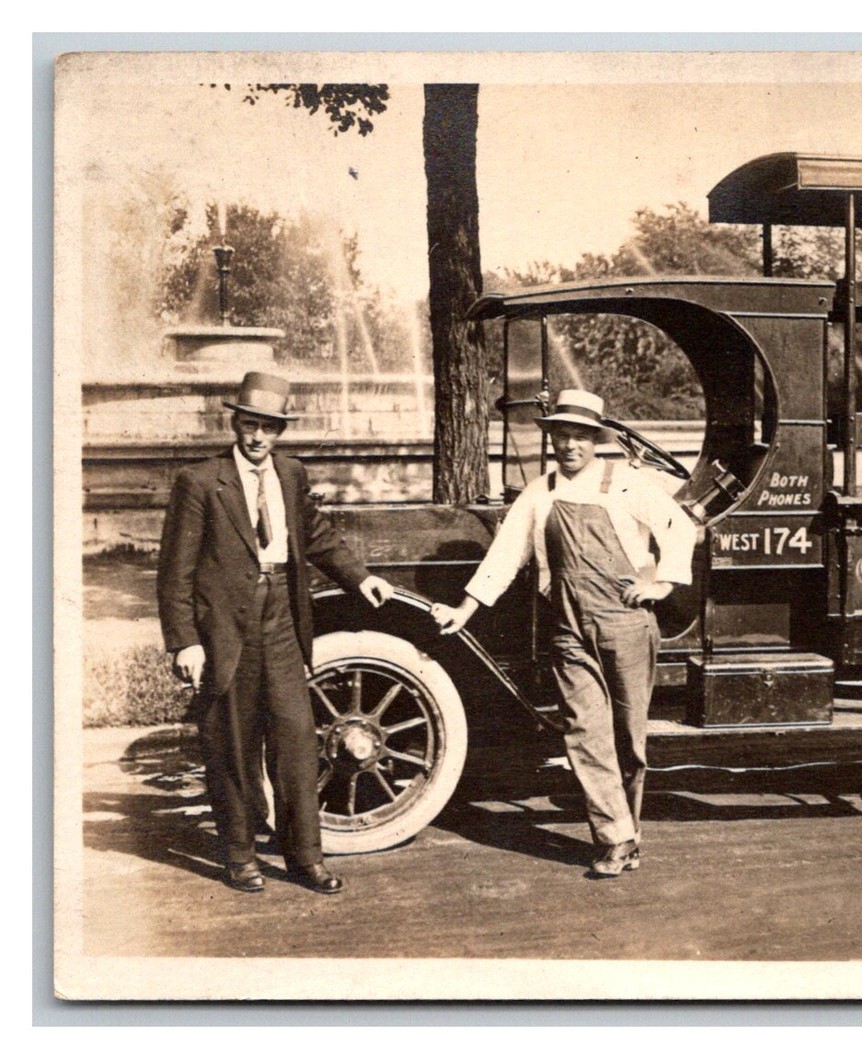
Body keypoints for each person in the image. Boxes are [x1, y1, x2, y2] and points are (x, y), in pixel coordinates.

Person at [430, 389, 694, 877]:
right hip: (568, 628)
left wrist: (660, 584)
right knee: (584, 731)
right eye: (561, 436)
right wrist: (465, 608)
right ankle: (615, 837)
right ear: (551, 438)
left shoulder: (625, 482)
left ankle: (628, 832)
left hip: (625, 624)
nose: (569, 446)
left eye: (580, 437)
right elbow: (507, 553)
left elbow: (681, 527)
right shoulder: (541, 491)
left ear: (595, 440)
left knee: (629, 739)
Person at [158, 371, 393, 894]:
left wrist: (362, 578)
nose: (258, 437)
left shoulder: (290, 474)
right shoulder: (200, 481)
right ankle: (240, 857)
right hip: (226, 630)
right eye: (249, 425)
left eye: (268, 427)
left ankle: (306, 858)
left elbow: (317, 536)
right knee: (235, 744)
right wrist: (185, 641)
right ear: (235, 424)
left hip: (283, 620)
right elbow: (175, 571)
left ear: (280, 431)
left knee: (294, 743)